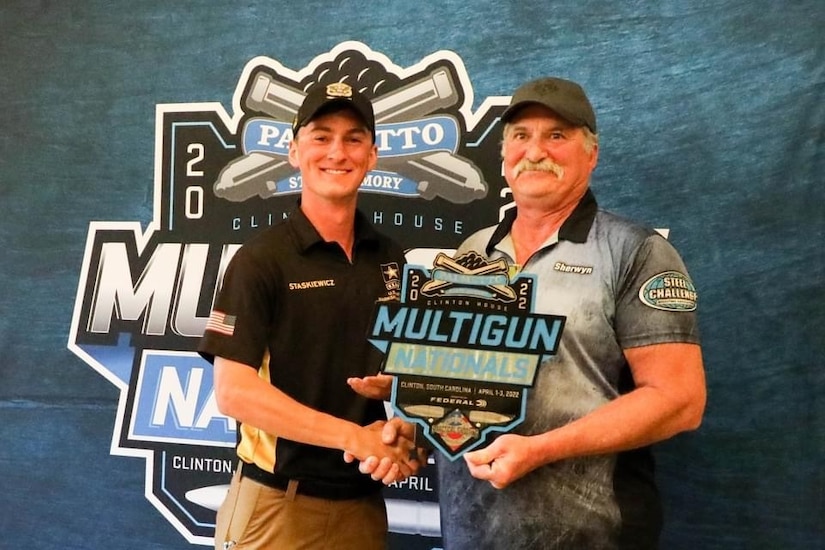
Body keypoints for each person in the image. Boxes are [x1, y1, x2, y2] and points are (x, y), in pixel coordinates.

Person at [356, 77, 706, 549]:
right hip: (472, 534)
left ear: (592, 153)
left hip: (591, 534)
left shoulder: (636, 252)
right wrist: (414, 417)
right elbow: (462, 390)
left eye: (556, 136)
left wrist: (541, 449)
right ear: (504, 154)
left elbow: (680, 400)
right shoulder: (471, 253)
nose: (535, 150)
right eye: (521, 135)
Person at [198, 81, 422, 550]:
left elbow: (403, 374)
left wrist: (403, 432)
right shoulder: (261, 260)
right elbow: (234, 393)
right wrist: (354, 437)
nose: (337, 152)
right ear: (294, 151)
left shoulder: (391, 259)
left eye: (353, 138)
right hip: (278, 509)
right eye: (321, 136)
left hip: (363, 507)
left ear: (373, 155)